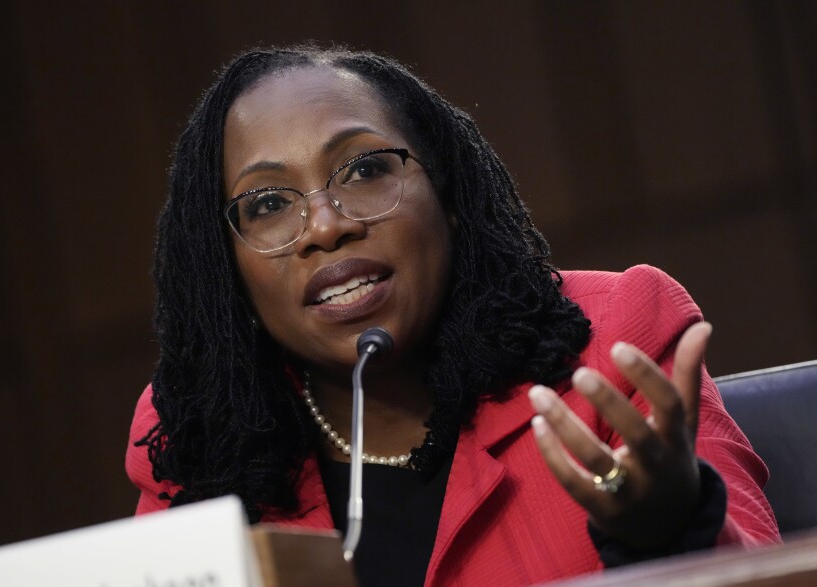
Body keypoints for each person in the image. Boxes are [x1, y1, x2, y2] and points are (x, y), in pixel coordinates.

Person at [125, 45, 779, 586]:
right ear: (227, 269)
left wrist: (675, 526)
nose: (324, 225)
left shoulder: (610, 343)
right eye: (267, 203)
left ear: (449, 192)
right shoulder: (200, 436)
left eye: (364, 169)